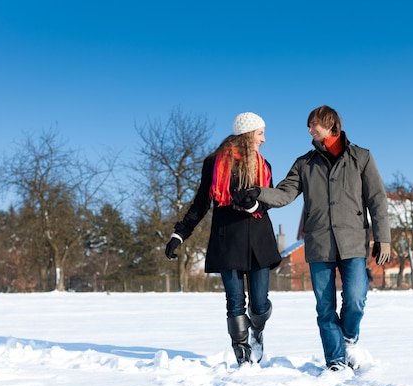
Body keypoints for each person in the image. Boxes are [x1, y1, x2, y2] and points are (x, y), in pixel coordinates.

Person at [234, 105, 391, 371]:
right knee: (325, 306)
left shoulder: (361, 157)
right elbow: (284, 193)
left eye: (313, 124)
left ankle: (349, 337)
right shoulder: (305, 163)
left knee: (356, 297)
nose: (309, 130)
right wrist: (258, 192)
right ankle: (336, 360)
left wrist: (383, 237)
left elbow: (377, 199)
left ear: (330, 124)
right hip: (319, 244)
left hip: (353, 241)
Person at [164, 112, 282, 366]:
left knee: (260, 305)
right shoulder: (214, 164)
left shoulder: (265, 166)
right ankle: (242, 353)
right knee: (235, 301)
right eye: (260, 133)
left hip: (259, 241)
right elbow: (200, 204)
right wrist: (179, 233)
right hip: (228, 239)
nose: (263, 139)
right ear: (248, 134)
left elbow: (269, 202)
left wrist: (254, 205)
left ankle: (257, 331)